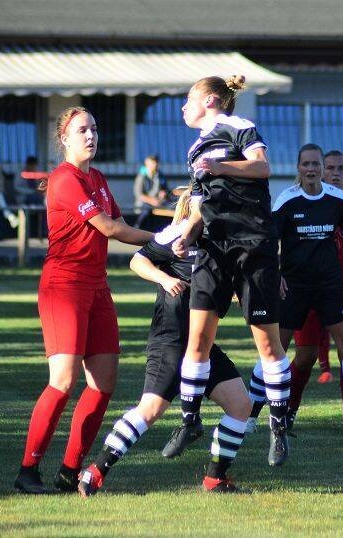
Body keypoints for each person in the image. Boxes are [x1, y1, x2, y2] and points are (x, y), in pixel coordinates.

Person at [13, 106, 153, 494]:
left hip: (97, 286)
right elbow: (109, 228)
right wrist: (163, 238)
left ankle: (69, 470)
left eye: (94, 128)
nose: (90, 135)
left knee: (104, 382)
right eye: (81, 130)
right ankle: (28, 470)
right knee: (62, 380)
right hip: (64, 286)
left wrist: (168, 237)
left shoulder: (99, 178)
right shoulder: (64, 178)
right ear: (64, 139)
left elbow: (121, 225)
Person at [78, 187, 253, 495]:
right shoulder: (176, 235)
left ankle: (215, 478)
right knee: (150, 410)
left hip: (201, 347)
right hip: (170, 341)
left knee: (241, 405)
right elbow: (137, 261)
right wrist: (164, 278)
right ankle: (96, 471)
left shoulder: (222, 241)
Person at [169, 74, 293, 468]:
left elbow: (262, 168)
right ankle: (189, 421)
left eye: (189, 99)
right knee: (197, 340)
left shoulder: (239, 126)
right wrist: (188, 234)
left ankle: (278, 427)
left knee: (268, 345)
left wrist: (221, 165)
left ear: (209, 99)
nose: (183, 107)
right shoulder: (194, 149)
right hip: (212, 249)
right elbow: (201, 204)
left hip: (252, 244)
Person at [246, 144, 343, 439]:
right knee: (274, 352)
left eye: (316, 164)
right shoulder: (287, 200)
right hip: (294, 287)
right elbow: (268, 242)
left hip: (330, 286)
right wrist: (275, 275)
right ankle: (250, 414)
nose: (311, 169)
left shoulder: (337, 199)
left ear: (321, 167)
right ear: (298, 168)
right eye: (306, 164)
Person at [286, 149, 343, 433]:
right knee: (306, 356)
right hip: (308, 287)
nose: (336, 173)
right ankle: (287, 411)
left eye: (341, 169)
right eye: (330, 168)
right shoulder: (303, 201)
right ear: (320, 170)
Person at [133, 154, 168, 228]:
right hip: (144, 204)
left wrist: (163, 193)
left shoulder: (160, 175)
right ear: (147, 163)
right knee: (146, 211)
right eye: (152, 163)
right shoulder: (141, 176)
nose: (155, 165)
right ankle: (137, 227)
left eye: (156, 163)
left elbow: (165, 189)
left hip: (158, 202)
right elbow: (138, 194)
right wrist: (151, 201)